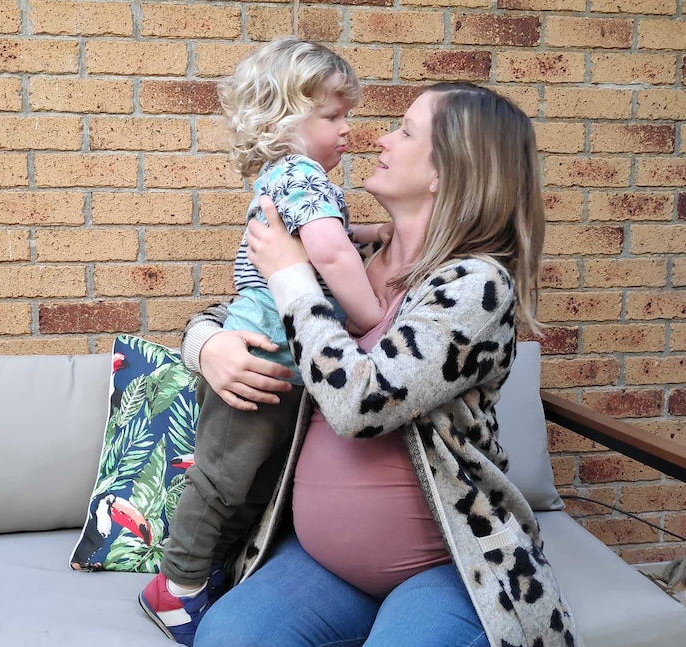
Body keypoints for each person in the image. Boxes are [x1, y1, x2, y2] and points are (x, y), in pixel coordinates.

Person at [180, 82, 582, 647]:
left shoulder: (476, 287)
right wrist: (206, 347)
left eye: (406, 130)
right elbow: (231, 316)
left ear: (447, 170)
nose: (383, 138)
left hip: (448, 566)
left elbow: (364, 404)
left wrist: (291, 276)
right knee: (227, 638)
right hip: (322, 566)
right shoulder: (354, 257)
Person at [138, 37, 390, 646]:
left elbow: (327, 236)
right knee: (224, 479)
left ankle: (211, 575)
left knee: (256, 482)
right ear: (282, 119)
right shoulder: (300, 173)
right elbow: (326, 251)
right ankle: (175, 584)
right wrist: (369, 315)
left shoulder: (298, 182)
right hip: (260, 353)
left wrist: (373, 230)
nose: (348, 130)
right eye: (333, 117)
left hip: (284, 361)